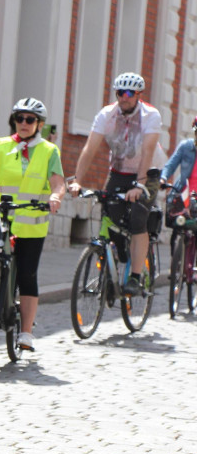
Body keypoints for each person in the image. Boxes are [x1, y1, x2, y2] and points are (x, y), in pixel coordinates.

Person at [0, 98, 66, 352]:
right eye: (20, 118)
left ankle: (26, 332)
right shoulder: (2, 145)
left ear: (39, 124)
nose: (24, 123)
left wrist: (55, 197)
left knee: (28, 275)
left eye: (30, 119)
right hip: (0, 213)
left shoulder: (49, 151)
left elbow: (58, 182)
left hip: (31, 221)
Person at [68, 72, 162, 296]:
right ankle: (114, 264)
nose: (124, 97)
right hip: (119, 171)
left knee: (138, 219)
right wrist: (77, 181)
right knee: (110, 216)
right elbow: (89, 148)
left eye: (129, 93)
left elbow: (148, 151)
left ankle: (136, 276)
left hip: (147, 173)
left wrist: (139, 185)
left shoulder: (150, 115)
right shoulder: (106, 115)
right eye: (120, 93)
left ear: (138, 95)